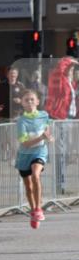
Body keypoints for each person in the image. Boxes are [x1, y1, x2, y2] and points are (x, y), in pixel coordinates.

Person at [15, 90, 52, 229]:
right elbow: (25, 143)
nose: (29, 102)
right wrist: (41, 137)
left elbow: (48, 132)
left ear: (37, 101)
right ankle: (33, 210)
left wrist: (49, 138)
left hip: (40, 151)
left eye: (32, 99)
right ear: (23, 104)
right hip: (24, 155)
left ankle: (38, 208)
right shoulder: (21, 121)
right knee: (28, 186)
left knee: (35, 174)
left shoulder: (44, 116)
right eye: (26, 100)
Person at [45, 56, 76, 194]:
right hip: (60, 119)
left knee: (67, 153)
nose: (71, 70)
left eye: (73, 69)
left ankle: (62, 184)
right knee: (61, 153)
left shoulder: (71, 83)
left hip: (70, 120)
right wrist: (70, 61)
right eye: (69, 68)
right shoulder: (59, 80)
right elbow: (59, 68)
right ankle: (60, 186)